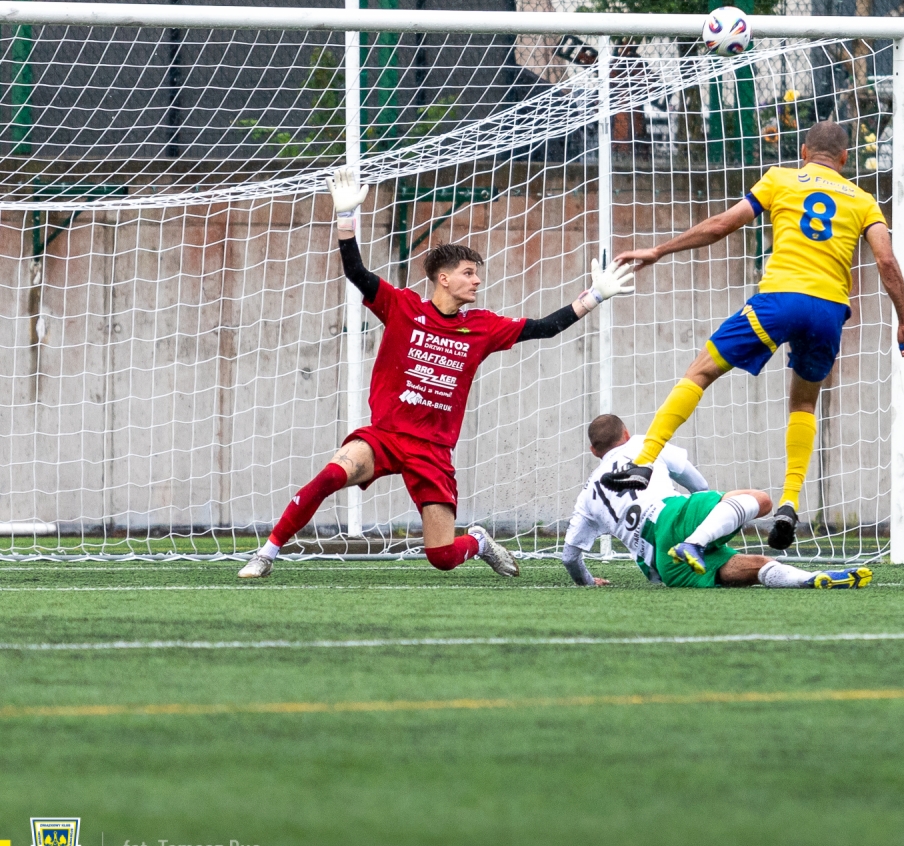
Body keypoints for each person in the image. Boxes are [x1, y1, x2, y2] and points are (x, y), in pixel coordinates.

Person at [238, 167, 635, 579]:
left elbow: (545, 328)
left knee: (442, 556)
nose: (477, 280)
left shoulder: (482, 326)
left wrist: (595, 295)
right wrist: (345, 219)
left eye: (476, 273)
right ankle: (266, 554)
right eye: (468, 273)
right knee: (330, 476)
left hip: (432, 451)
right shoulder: (402, 306)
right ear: (443, 279)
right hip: (386, 435)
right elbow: (356, 272)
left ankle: (477, 542)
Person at [599, 119, 904, 552]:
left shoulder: (779, 179)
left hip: (778, 300)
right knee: (804, 402)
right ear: (845, 159)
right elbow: (886, 261)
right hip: (828, 310)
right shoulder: (863, 201)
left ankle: (643, 462)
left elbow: (722, 225)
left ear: (804, 152)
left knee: (701, 372)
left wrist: (659, 249)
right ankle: (789, 503)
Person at [562, 415, 873, 589]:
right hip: (673, 516)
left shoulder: (587, 496)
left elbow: (570, 558)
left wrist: (588, 583)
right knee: (762, 501)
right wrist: (708, 517)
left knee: (753, 567)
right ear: (627, 434)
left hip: (662, 566)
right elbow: (699, 485)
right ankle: (694, 543)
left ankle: (808, 580)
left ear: (594, 451)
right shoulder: (644, 444)